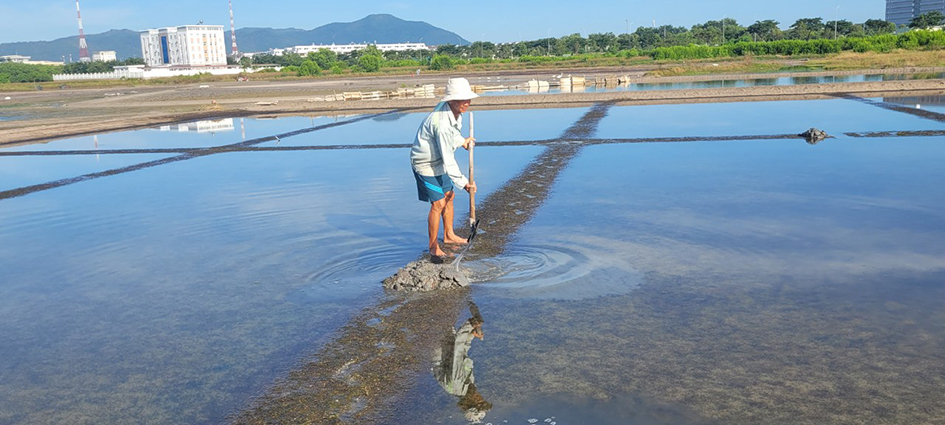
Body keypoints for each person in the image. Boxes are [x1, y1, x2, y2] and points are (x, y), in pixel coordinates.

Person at [410, 77, 478, 257]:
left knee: (449, 195)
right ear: (451, 100)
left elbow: (453, 134)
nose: (467, 103)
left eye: (468, 99)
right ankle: (433, 246)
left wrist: (462, 141)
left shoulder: (456, 112)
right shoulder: (440, 123)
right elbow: (448, 158)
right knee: (438, 203)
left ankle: (448, 235)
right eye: (462, 100)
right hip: (425, 164)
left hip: (438, 159)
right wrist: (464, 183)